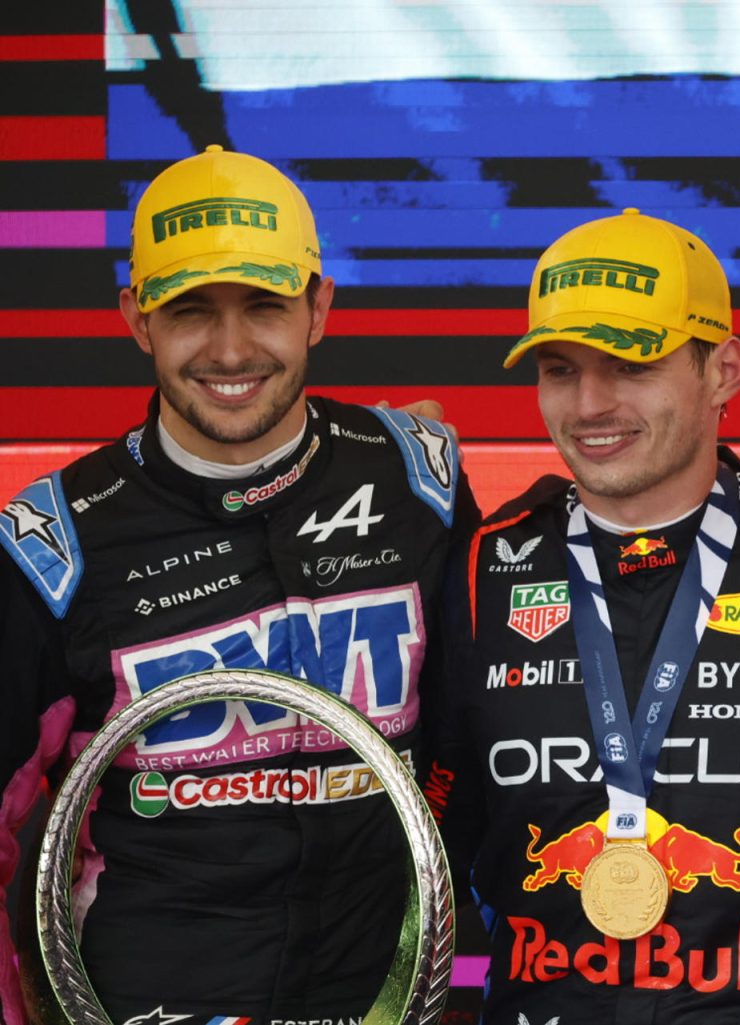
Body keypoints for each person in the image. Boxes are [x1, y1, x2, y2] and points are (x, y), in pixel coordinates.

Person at [0, 146, 476, 1024]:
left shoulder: (420, 476)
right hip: (151, 996)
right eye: (189, 310)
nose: (230, 349)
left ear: (318, 308)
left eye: (264, 304)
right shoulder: (53, 540)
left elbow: (480, 734)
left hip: (386, 988)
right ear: (137, 318)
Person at [424, 208, 740, 1024]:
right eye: (559, 368)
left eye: (628, 365)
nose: (589, 403)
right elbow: (430, 843)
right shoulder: (480, 567)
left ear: (722, 370)